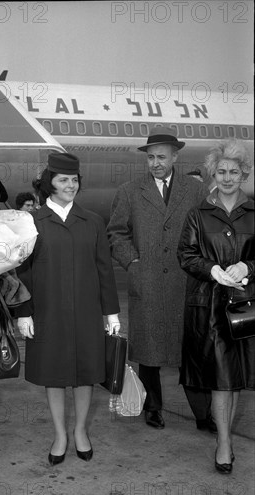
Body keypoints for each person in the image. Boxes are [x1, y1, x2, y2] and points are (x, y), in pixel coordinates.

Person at [15, 152, 120, 465]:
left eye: (74, 180)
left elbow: (105, 270)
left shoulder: (93, 222)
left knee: (86, 373)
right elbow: (22, 272)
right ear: (50, 184)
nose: (70, 185)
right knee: (54, 373)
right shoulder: (32, 223)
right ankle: (60, 434)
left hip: (87, 311)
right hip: (48, 312)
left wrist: (111, 313)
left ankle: (80, 432)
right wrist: (23, 311)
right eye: (63, 180)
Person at [107, 127, 212, 431]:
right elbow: (116, 232)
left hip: (185, 284)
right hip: (148, 281)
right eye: (151, 157)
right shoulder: (129, 191)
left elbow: (207, 230)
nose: (155, 163)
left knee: (190, 351)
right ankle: (152, 408)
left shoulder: (195, 191)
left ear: (175, 157)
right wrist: (132, 261)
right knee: (148, 353)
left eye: (161, 157)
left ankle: (203, 414)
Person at [177, 139, 254, 474]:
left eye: (233, 172)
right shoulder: (198, 214)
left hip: (244, 307)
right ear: (213, 174)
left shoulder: (253, 213)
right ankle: (224, 443)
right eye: (221, 171)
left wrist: (248, 267)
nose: (226, 177)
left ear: (244, 174)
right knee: (222, 377)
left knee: (233, 377)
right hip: (209, 306)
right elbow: (186, 255)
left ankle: (224, 438)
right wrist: (214, 270)